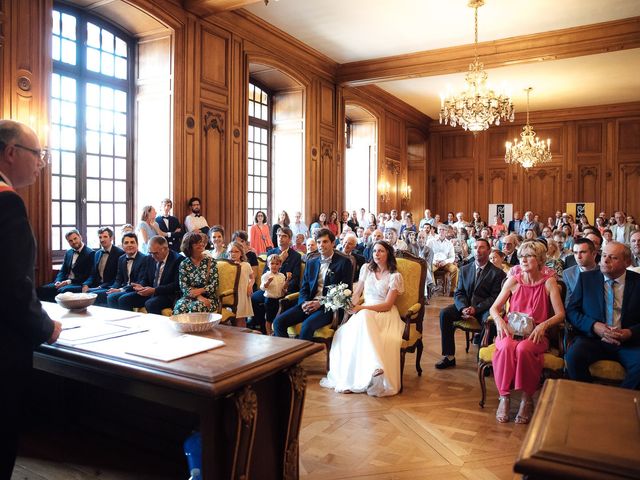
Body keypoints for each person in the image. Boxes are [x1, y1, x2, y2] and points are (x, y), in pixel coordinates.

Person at [0, 119, 62, 477]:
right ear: (11, 152)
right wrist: (45, 327)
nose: (41, 163)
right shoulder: (6, 205)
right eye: (37, 154)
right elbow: (11, 286)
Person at [489, 240, 565, 424]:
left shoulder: (549, 283)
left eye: (529, 256)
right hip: (510, 330)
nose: (523, 259)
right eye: (521, 256)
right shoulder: (514, 281)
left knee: (524, 349)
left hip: (535, 334)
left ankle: (526, 398)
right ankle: (504, 397)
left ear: (539, 260)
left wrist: (543, 326)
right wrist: (499, 320)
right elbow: (494, 308)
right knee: (506, 347)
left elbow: (561, 314)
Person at [319, 240, 404, 397]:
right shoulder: (366, 269)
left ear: (388, 254)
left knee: (363, 318)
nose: (376, 254)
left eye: (381, 251)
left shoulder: (395, 276)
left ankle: (375, 368)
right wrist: (348, 304)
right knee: (344, 335)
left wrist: (362, 308)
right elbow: (357, 293)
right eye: (374, 251)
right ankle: (353, 379)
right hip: (365, 312)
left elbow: (387, 305)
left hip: (384, 314)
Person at [565, 241, 640, 389]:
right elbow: (572, 311)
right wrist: (593, 326)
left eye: (613, 257)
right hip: (594, 339)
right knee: (573, 357)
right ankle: (589, 398)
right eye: (604, 255)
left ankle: (619, 404)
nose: (605, 260)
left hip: (628, 342)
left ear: (627, 262)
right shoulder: (587, 279)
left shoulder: (637, 282)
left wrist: (630, 333)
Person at [435, 239, 506, 369]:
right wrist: (462, 308)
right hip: (465, 306)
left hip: (484, 308)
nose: (478, 250)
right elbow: (459, 292)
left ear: (489, 250)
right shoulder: (465, 269)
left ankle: (483, 360)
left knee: (488, 322)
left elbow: (494, 298)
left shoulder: (497, 273)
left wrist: (476, 309)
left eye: (482, 247)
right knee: (445, 313)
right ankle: (449, 356)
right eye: (475, 247)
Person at [273, 228, 353, 340]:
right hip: (308, 303)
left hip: (328, 308)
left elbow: (345, 292)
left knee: (306, 326)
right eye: (319, 242)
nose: (321, 245)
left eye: (325, 242)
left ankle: (301, 356)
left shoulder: (344, 263)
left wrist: (320, 303)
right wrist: (304, 303)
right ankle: (288, 353)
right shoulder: (311, 263)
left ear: (333, 243)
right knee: (278, 322)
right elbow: (304, 288)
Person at [112, 236, 184, 314]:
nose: (152, 256)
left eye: (155, 253)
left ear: (165, 249)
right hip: (150, 291)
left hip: (167, 295)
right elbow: (145, 278)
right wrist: (141, 286)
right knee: (124, 299)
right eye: (150, 253)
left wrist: (155, 290)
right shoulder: (149, 258)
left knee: (150, 304)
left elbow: (176, 285)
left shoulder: (178, 260)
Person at [250, 227, 301, 333]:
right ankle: (263, 329)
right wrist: (280, 259)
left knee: (275, 301)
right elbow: (265, 273)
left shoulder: (295, 256)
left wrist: (284, 288)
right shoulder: (271, 252)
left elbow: (295, 279)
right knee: (254, 298)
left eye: (284, 236)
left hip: (284, 289)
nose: (280, 238)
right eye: (279, 236)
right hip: (269, 287)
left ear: (290, 239)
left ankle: (275, 330)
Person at [37, 229, 95, 302]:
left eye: (75, 238)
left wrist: (68, 281)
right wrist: (58, 281)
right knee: (41, 290)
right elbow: (63, 270)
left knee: (62, 291)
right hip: (64, 281)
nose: (73, 242)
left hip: (78, 283)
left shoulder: (90, 253)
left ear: (80, 237)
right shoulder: (69, 252)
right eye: (70, 241)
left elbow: (87, 275)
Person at [173, 232, 219, 314]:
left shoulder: (210, 262)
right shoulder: (184, 263)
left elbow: (215, 284)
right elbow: (183, 286)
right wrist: (199, 296)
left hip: (209, 298)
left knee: (195, 307)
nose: (201, 244)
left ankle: (198, 328)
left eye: (201, 242)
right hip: (190, 297)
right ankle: (183, 327)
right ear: (189, 246)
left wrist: (201, 291)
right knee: (179, 307)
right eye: (196, 243)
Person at [82, 227, 124, 304]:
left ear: (111, 238)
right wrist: (86, 284)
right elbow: (93, 274)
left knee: (91, 295)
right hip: (97, 285)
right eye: (100, 237)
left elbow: (118, 277)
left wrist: (101, 287)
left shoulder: (120, 253)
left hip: (110, 286)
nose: (102, 240)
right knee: (82, 292)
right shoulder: (97, 253)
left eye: (105, 237)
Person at [105, 233, 148, 308]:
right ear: (122, 246)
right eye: (126, 243)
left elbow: (140, 282)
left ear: (137, 244)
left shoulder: (144, 259)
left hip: (136, 291)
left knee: (114, 298)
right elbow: (118, 279)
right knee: (104, 294)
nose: (129, 245)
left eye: (132, 242)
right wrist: (113, 288)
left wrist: (121, 290)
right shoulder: (121, 258)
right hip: (124, 288)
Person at [260, 254, 291, 335]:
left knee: (278, 317)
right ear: (268, 264)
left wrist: (287, 280)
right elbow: (262, 288)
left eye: (277, 264)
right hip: (270, 299)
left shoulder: (282, 276)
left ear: (280, 265)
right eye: (272, 263)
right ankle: (268, 333)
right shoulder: (266, 275)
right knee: (269, 318)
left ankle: (275, 333)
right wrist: (268, 282)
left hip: (279, 299)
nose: (274, 266)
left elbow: (284, 288)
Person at [227, 241, 254, 327]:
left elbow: (252, 278)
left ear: (241, 253)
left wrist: (250, 286)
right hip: (231, 294)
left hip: (242, 293)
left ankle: (242, 337)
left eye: (236, 251)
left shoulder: (246, 265)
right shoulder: (226, 266)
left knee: (241, 318)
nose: (233, 254)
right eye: (231, 251)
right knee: (232, 318)